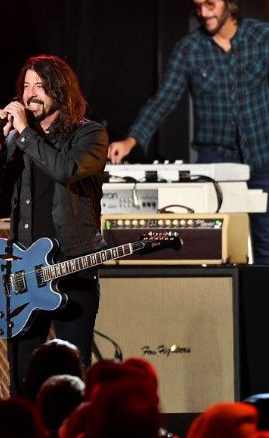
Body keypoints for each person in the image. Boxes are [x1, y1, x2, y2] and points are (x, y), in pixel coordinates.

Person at [0, 54, 108, 395]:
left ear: (60, 92)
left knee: (73, 380)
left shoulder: (89, 135)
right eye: (25, 85)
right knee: (23, 380)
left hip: (74, 267)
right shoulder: (18, 142)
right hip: (24, 275)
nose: (30, 93)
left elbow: (66, 169)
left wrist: (23, 134)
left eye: (40, 86)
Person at [107, 0, 269, 264]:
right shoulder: (189, 48)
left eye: (209, 4)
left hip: (263, 155)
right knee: (210, 241)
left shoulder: (261, 37)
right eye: (197, 7)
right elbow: (164, 98)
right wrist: (130, 141)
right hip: (216, 160)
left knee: (267, 242)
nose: (203, 13)